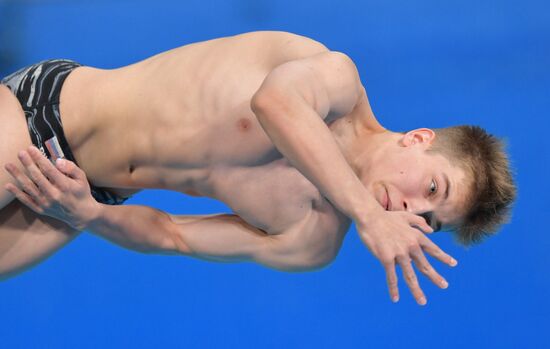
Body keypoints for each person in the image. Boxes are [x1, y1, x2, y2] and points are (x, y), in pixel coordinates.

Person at [0, 31, 515, 305]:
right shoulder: (336, 81)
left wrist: (87, 214)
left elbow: (173, 234)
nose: (411, 210)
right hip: (49, 111)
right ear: (419, 139)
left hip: (79, 191)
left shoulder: (311, 237)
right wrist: (369, 216)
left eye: (429, 220)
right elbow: (276, 105)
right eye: (430, 186)